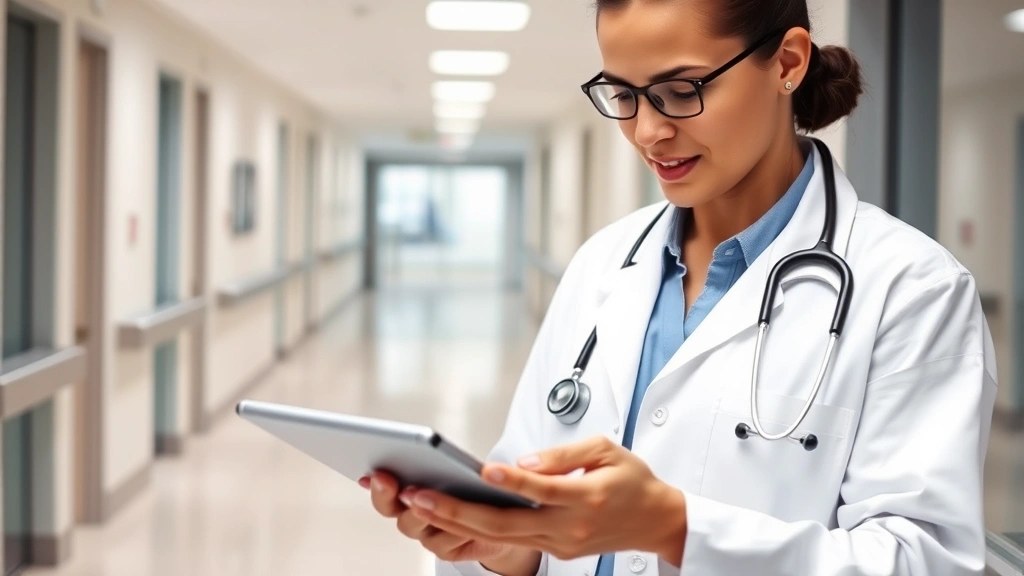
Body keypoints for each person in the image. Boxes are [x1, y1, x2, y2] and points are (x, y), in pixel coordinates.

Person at [361, 0, 998, 574]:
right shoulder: (603, 262)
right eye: (623, 94)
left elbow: (924, 560)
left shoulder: (912, 290)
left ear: (787, 63)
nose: (647, 132)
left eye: (679, 90)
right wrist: (502, 547)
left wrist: (675, 529)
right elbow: (527, 489)